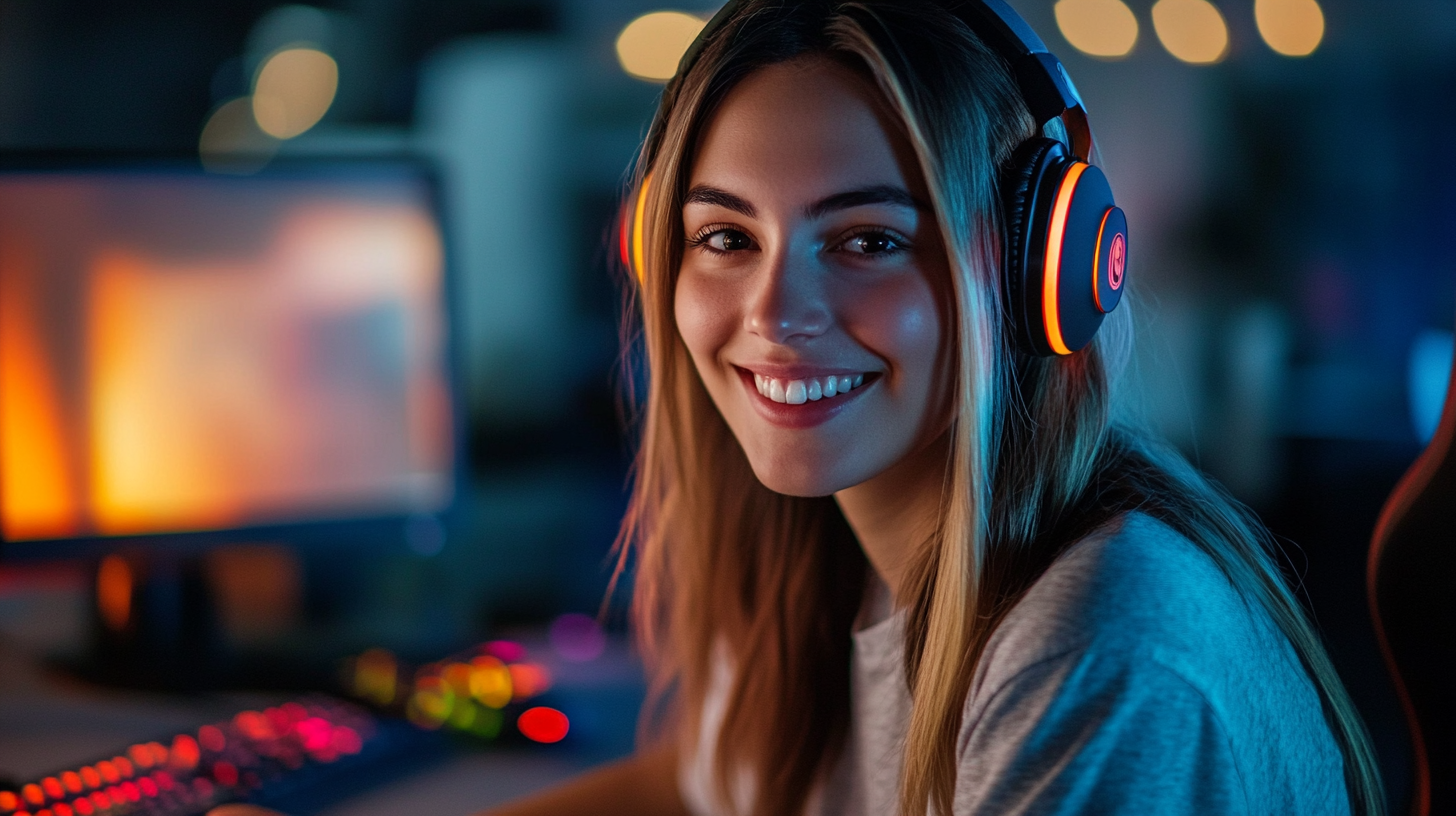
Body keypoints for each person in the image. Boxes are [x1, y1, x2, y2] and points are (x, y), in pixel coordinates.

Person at [217, 1, 1385, 814]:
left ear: (1047, 270)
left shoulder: (1101, 642)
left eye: (868, 240)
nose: (775, 313)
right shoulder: (829, 546)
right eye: (725, 237)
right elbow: (703, 788)